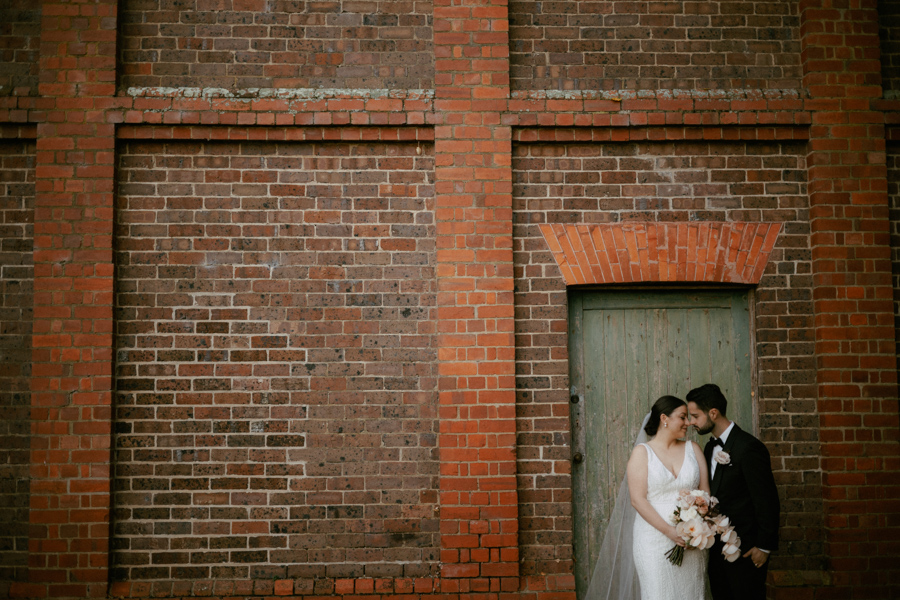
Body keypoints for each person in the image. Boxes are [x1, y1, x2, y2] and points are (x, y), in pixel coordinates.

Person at [585, 395, 711, 600]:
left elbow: (705, 493)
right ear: (664, 418)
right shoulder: (642, 453)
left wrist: (698, 530)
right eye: (682, 417)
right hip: (654, 540)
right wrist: (671, 531)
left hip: (691, 541)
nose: (688, 422)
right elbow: (638, 500)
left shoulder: (693, 450)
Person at [686, 384, 780, 600]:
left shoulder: (749, 447)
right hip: (717, 552)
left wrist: (764, 547)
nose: (691, 422)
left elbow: (767, 499)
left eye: (695, 416)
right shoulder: (709, 448)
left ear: (713, 413)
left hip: (746, 550)